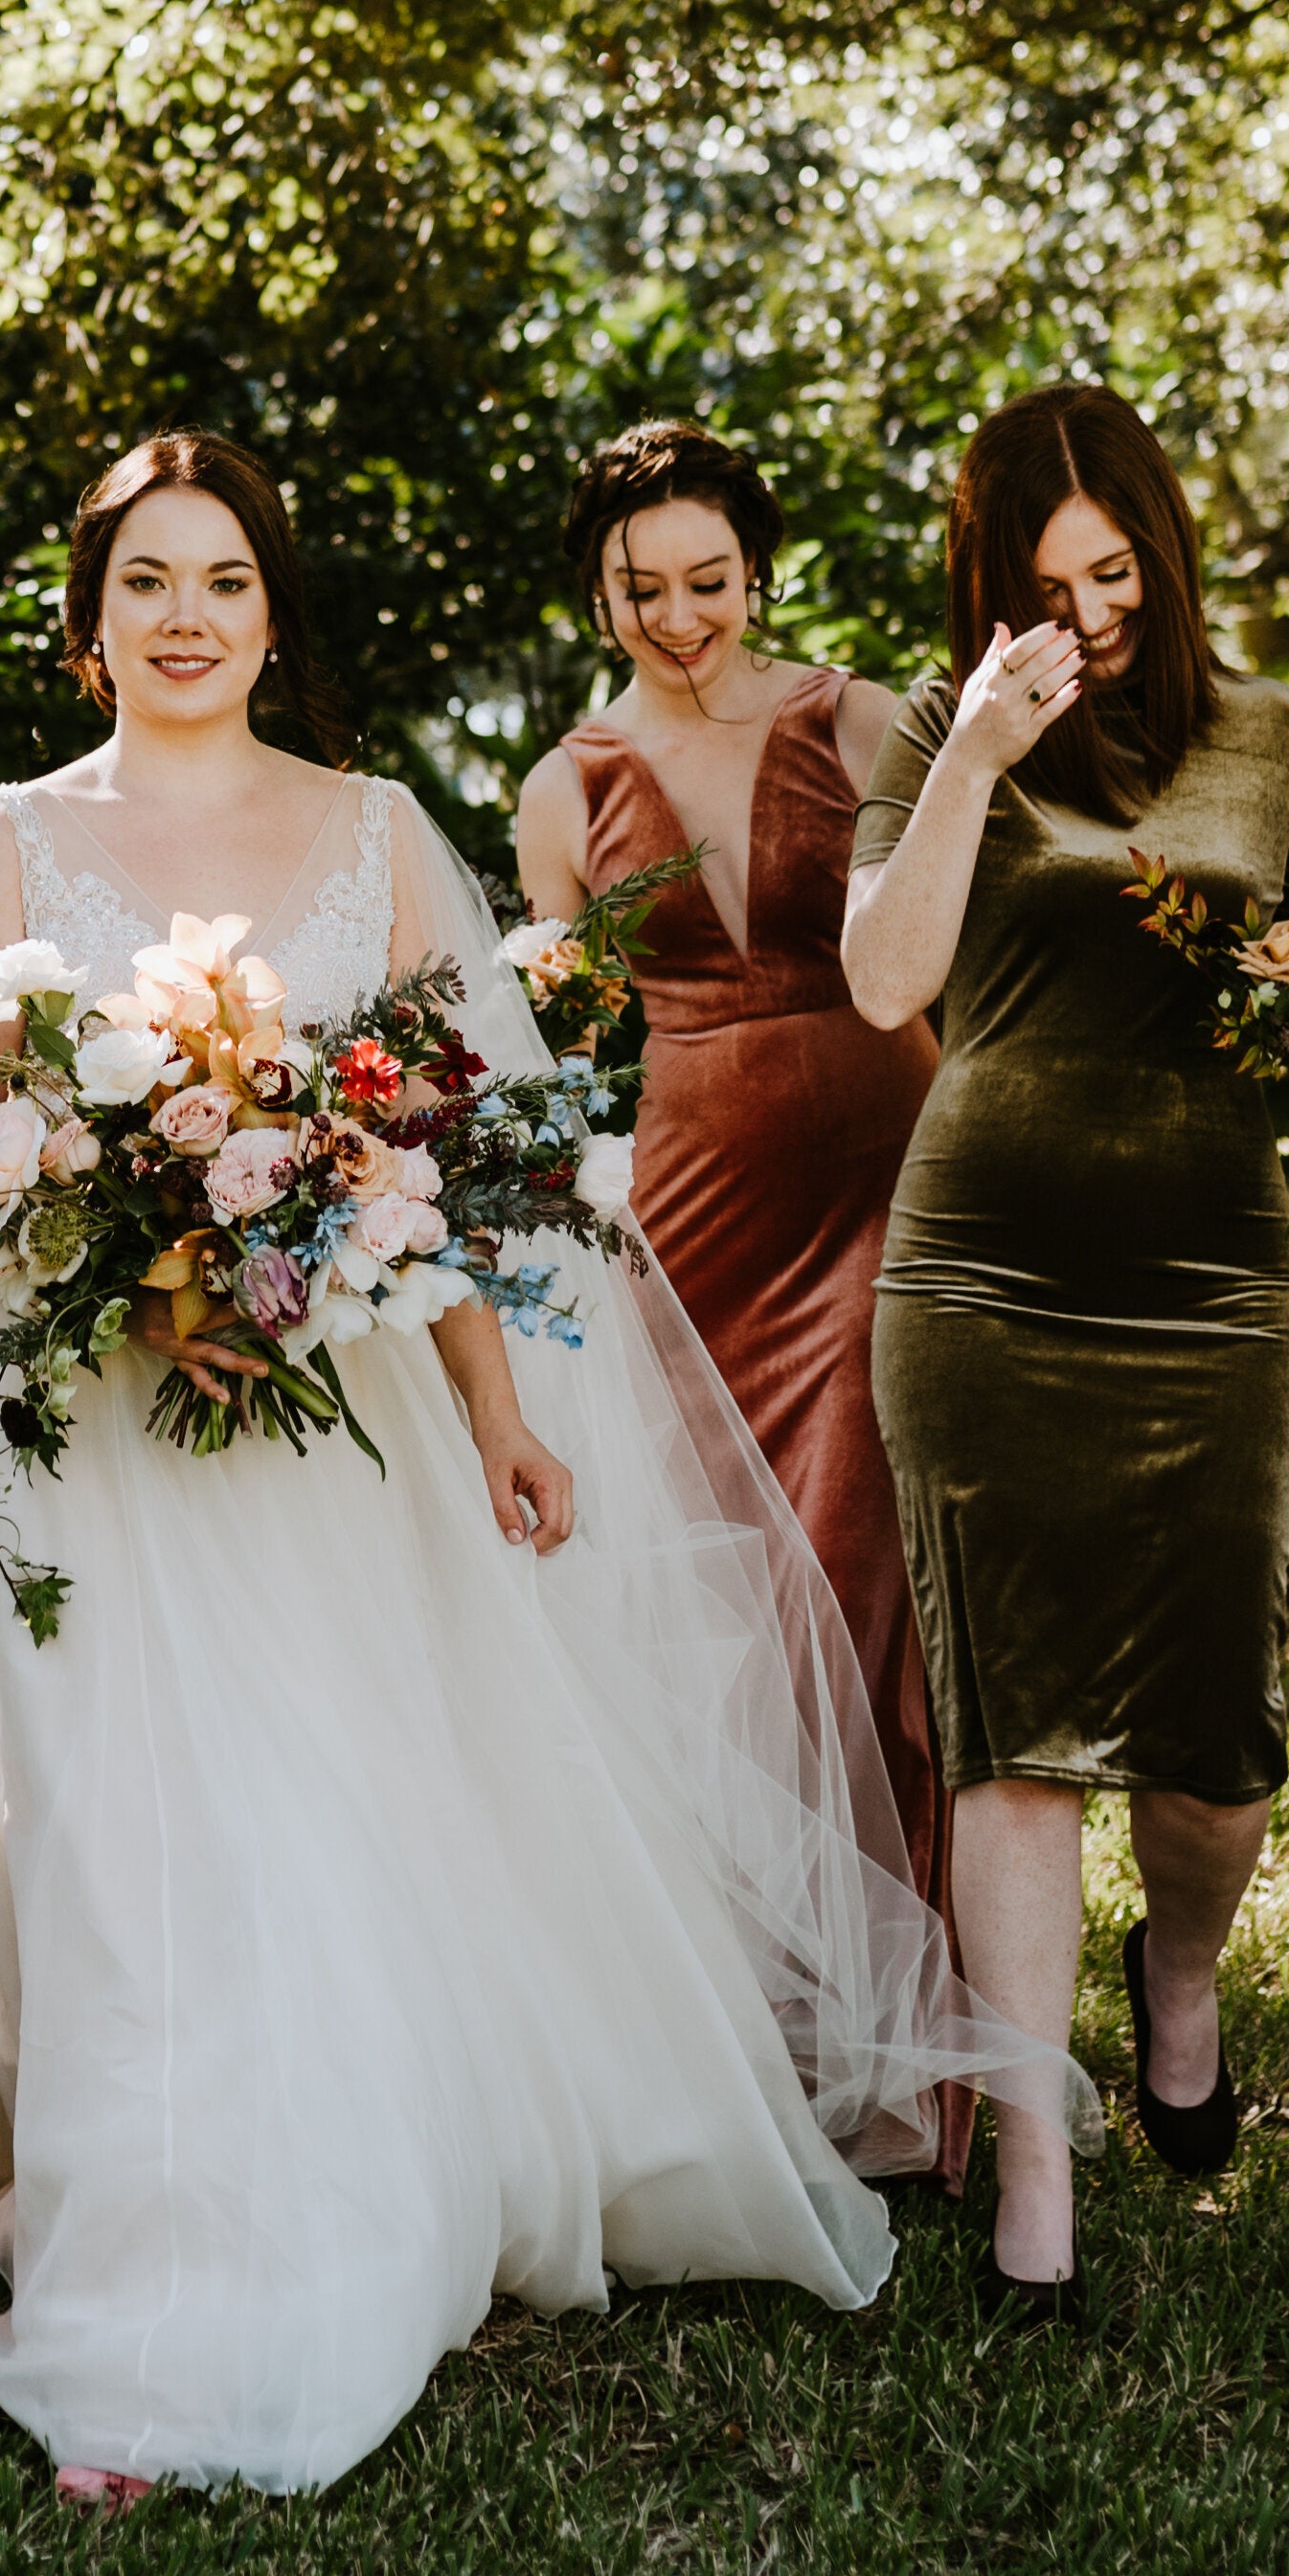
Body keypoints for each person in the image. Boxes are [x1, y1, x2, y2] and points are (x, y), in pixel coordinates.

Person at [0, 431, 1056, 2499]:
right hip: (74, 1398)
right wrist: (100, 1243)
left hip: (339, 1408)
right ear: (90, 616)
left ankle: (336, 2180)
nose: (188, 614)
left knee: (306, 1809)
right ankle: (144, 2264)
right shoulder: (4, 849)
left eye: (221, 579)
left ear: (271, 612)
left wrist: (498, 1412)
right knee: (112, 1825)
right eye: (146, 581)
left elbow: (469, 1155)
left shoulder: (378, 826)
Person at [844, 382, 1289, 2318]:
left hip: (1218, 1278)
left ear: (1161, 540)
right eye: (1046, 583)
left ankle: (1182, 1968)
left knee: (1211, 1752)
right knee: (1014, 1735)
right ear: (993, 592)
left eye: (1114, 564)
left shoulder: (1272, 737)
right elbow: (886, 981)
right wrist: (980, 746)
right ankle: (1036, 2171)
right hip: (979, 1275)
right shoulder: (937, 724)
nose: (1093, 606)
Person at [516, 418, 944, 1900]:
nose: (680, 619)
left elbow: (964, 949)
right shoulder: (562, 790)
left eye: (708, 580)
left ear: (757, 572)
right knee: (730, 1576)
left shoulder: (862, 721)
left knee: (863, 1550)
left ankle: (915, 1935)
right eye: (642, 590)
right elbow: (555, 1058)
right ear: (597, 595)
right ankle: (769, 1955)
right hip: (695, 1219)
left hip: (892, 1176)